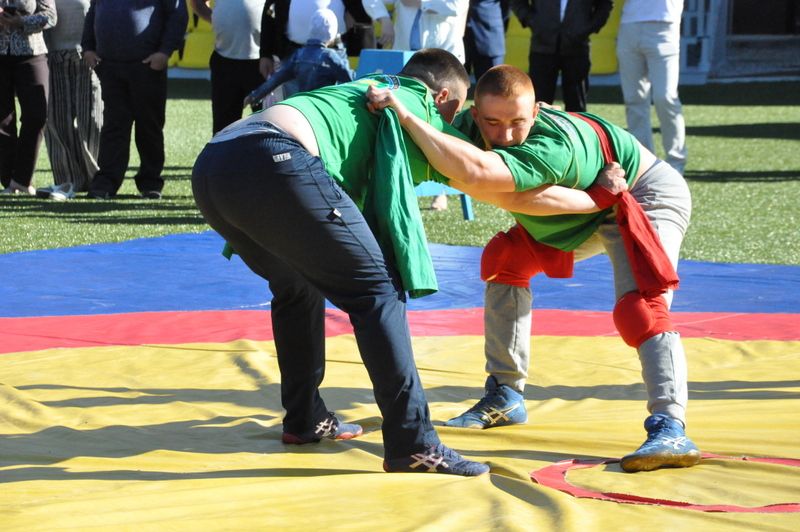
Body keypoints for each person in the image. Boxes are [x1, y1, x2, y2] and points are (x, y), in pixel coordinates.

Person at [365, 64, 700, 473]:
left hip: (638, 195)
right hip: (589, 202)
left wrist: (598, 199)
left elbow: (520, 200)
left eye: (517, 123)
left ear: (537, 112)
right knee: (504, 262)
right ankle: (506, 394)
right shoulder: (469, 128)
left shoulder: (555, 145)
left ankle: (670, 424)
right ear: (473, 113)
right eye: (492, 122)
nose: (505, 136)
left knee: (642, 308)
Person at [191, 48, 490, 476]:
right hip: (274, 159)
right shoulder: (411, 103)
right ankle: (414, 442)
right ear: (443, 97)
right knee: (378, 292)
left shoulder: (364, 88)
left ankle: (305, 417)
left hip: (214, 164)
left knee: (297, 286)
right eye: (452, 112)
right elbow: (465, 167)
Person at [81, 0, 188, 200]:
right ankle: (106, 183)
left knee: (149, 126)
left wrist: (165, 52)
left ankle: (150, 182)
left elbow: (177, 15)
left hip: (147, 66)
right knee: (113, 126)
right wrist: (88, 46)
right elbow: (93, 11)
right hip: (109, 65)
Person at [37, 0, 102, 201]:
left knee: (90, 120)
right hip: (53, 56)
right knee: (55, 121)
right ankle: (67, 181)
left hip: (87, 55)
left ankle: (96, 179)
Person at [616, 0, 687, 174]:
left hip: (664, 25)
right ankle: (643, 163)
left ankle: (676, 161)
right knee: (634, 99)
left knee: (665, 98)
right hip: (629, 24)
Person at [509, 0, 612, 112]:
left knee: (576, 105)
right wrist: (533, 21)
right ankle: (537, 130)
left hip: (577, 46)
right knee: (539, 104)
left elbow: (605, 4)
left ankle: (573, 129)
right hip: (542, 47)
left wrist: (589, 27)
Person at [243, 8, 353, 110]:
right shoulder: (330, 57)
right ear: (332, 32)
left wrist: (254, 96)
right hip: (323, 109)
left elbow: (276, 79)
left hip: (303, 109)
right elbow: (351, 79)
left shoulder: (298, 55)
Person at [0, 0, 56, 196]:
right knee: (2, 121)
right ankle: (9, 181)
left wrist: (21, 21)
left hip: (32, 53)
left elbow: (50, 16)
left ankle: (22, 180)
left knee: (37, 114)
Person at [190, 0, 267, 134]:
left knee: (269, 127)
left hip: (264, 63)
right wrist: (217, 19)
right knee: (223, 130)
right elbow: (197, 3)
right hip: (225, 62)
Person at [361, 0, 469, 62]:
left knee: (441, 100)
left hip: (444, 56)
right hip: (405, 56)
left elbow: (457, 6)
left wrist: (422, 3)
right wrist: (384, 18)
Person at [463, 0, 508, 83]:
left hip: (490, 38)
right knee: (452, 90)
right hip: (456, 39)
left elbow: (506, 5)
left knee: (493, 87)